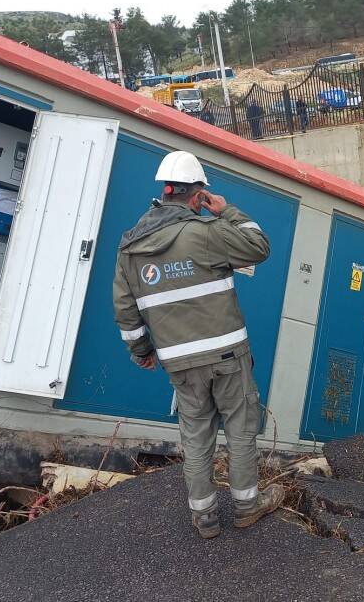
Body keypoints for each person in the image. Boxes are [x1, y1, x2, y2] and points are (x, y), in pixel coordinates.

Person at [113, 150, 283, 539]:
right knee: (240, 428)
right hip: (227, 354)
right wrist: (226, 211)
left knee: (196, 434)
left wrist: (142, 352)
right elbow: (259, 245)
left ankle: (204, 516)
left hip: (180, 363)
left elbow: (125, 308)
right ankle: (246, 507)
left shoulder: (129, 249)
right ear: (197, 196)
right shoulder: (206, 233)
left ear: (165, 192)